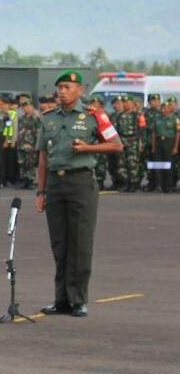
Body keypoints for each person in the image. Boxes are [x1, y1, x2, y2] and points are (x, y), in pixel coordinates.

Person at [35, 70, 122, 318]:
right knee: (59, 243)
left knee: (80, 243)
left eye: (68, 87)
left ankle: (78, 299)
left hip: (81, 182)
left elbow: (116, 144)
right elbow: (43, 158)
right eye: (60, 87)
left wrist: (88, 148)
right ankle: (61, 299)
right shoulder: (48, 118)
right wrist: (40, 191)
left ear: (80, 90)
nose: (62, 91)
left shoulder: (95, 115)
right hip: (55, 184)